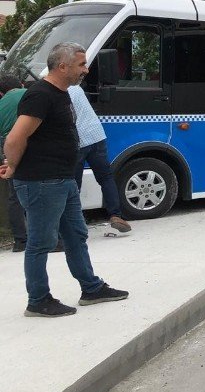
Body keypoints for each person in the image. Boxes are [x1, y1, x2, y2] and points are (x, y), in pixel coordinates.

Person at [0, 43, 128, 317]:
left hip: (63, 180)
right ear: (62, 66)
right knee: (40, 242)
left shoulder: (63, 93)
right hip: (42, 182)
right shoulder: (40, 96)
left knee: (76, 236)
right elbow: (14, 138)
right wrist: (12, 166)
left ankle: (91, 288)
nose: (86, 69)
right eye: (81, 64)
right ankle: (38, 300)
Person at [69, 85, 132, 234]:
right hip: (96, 135)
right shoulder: (77, 88)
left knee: (73, 183)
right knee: (105, 177)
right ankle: (116, 215)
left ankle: (76, 221)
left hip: (77, 141)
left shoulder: (58, 91)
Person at [0, 75, 28, 252]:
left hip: (5, 144)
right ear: (22, 85)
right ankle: (52, 238)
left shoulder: (2, 103)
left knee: (14, 194)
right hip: (28, 142)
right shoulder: (30, 94)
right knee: (38, 189)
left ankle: (20, 241)